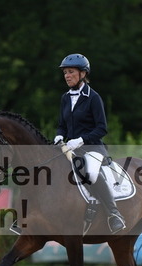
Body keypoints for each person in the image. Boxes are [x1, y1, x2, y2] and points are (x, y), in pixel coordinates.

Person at [54, 53, 126, 234]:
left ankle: (114, 213)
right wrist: (59, 136)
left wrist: (81, 140)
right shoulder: (65, 98)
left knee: (91, 173)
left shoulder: (93, 97)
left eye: (71, 72)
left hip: (92, 147)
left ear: (83, 73)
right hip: (69, 149)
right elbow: (62, 125)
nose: (67, 76)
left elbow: (102, 128)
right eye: (65, 73)